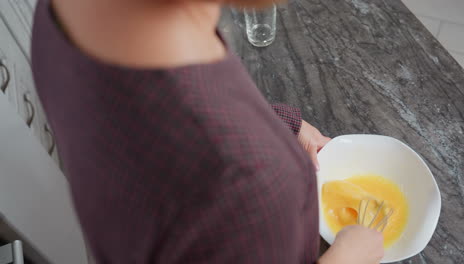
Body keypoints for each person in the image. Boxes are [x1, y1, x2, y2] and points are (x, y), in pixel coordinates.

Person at [31, 0, 384, 263]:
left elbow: (162, 128)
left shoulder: (71, 10)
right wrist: (348, 258)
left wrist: (274, 125)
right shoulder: (252, 184)